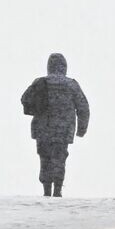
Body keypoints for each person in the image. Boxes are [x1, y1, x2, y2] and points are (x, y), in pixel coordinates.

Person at [21, 53, 90, 197]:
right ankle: (57, 190)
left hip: (42, 129)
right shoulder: (71, 84)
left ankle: (46, 189)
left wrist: (34, 111)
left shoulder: (40, 82)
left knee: (44, 158)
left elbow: (25, 99)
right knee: (59, 158)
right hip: (63, 131)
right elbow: (83, 107)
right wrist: (81, 129)